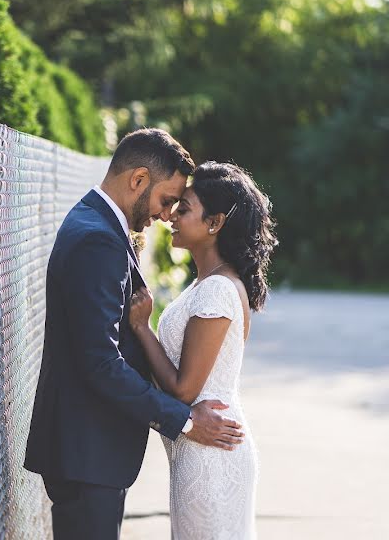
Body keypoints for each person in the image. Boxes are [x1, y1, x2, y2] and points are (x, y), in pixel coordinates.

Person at [24, 129, 245, 540]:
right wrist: (185, 422)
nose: (166, 215)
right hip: (87, 453)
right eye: (166, 200)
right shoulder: (98, 240)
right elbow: (102, 364)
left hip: (86, 451)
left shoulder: (95, 224)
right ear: (138, 180)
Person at [129, 160, 278, 539]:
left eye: (185, 208)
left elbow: (183, 390)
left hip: (210, 454)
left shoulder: (216, 289)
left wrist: (142, 328)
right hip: (199, 448)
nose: (173, 216)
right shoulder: (207, 283)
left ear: (214, 223)